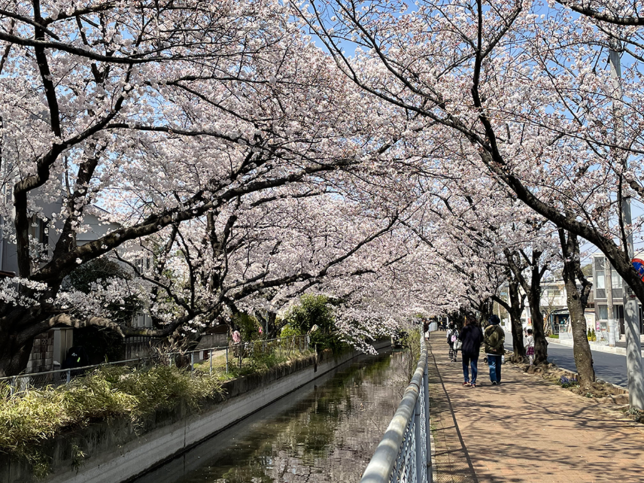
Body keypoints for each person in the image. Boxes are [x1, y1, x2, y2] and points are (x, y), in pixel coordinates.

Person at [459, 317, 484, 387]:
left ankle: (466, 380)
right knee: (474, 365)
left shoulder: (465, 329)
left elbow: (460, 337)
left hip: (465, 349)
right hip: (475, 350)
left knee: (465, 365)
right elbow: (481, 339)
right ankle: (473, 382)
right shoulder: (478, 329)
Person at [484, 314, 505, 385]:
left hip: (490, 351)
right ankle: (498, 379)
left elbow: (485, 340)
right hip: (498, 350)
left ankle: (493, 379)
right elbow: (502, 339)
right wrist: (496, 347)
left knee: (492, 365)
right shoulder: (500, 329)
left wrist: (491, 347)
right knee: (498, 365)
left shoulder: (486, 329)